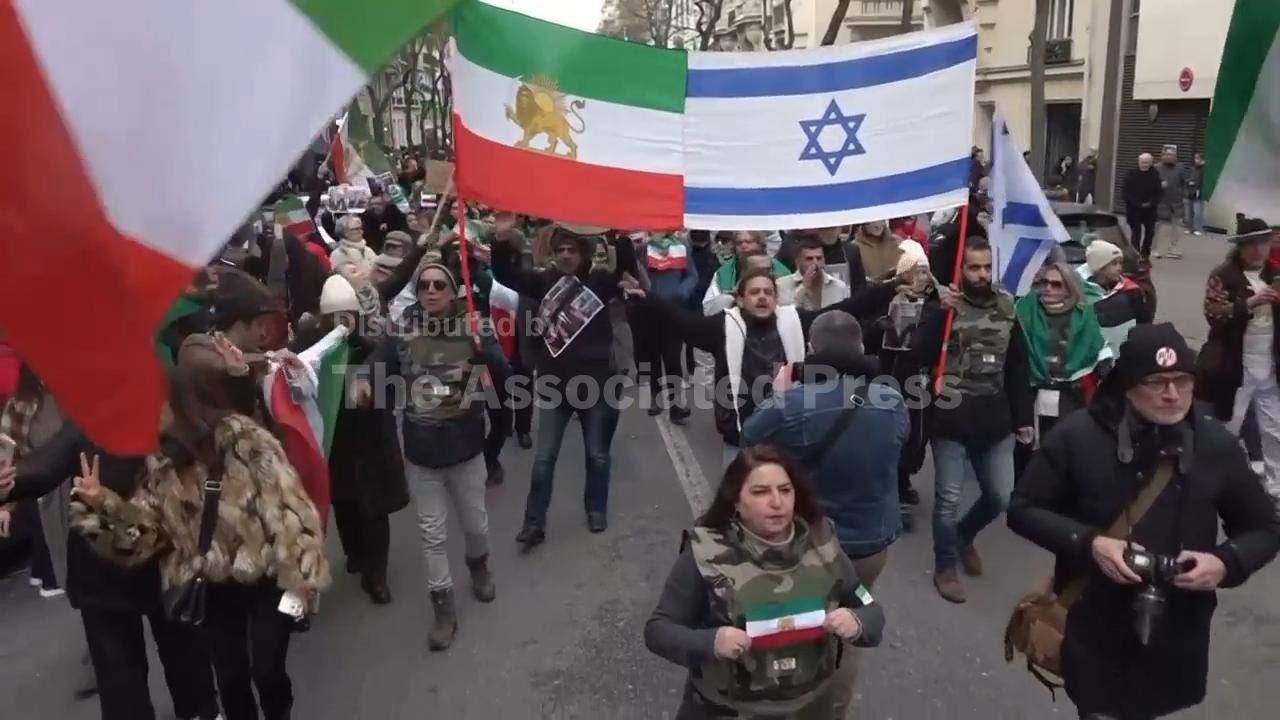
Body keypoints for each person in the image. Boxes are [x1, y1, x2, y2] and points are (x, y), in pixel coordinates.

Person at [1008, 323, 1280, 720]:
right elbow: (1023, 509)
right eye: (1156, 382)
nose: (1172, 394)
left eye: (1182, 380)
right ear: (1128, 385)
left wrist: (1226, 562)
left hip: (1176, 633)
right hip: (1095, 624)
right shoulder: (1077, 437)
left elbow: (1265, 529)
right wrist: (1090, 543)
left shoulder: (1215, 445)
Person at [70, 336, 331, 720]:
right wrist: (100, 507)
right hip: (212, 587)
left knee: (267, 669)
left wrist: (302, 579)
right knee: (230, 680)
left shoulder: (241, 438)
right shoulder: (158, 466)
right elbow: (146, 539)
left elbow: (291, 509)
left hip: (271, 577)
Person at [741, 311, 906, 717]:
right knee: (849, 625)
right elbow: (901, 448)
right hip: (869, 543)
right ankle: (833, 710)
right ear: (861, 348)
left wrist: (780, 393)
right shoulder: (892, 400)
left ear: (812, 350)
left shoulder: (793, 402)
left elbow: (749, 439)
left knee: (794, 624)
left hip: (809, 543)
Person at [644, 446, 886, 720]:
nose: (777, 502)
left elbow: (870, 609)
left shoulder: (823, 544)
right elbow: (658, 629)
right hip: (725, 710)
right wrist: (711, 641)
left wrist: (857, 621)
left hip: (809, 709)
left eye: (785, 490)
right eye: (760, 492)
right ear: (736, 500)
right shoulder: (705, 554)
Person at [7, 424, 222, 720]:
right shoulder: (88, 425)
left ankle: (200, 710)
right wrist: (10, 482)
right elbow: (45, 466)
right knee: (122, 676)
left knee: (184, 659)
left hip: (163, 558)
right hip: (105, 566)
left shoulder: (172, 417)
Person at [364, 262, 509, 649]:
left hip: (466, 449)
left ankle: (479, 567)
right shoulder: (401, 329)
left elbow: (504, 375)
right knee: (432, 535)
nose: (430, 291)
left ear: (452, 291)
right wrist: (363, 381)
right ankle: (443, 609)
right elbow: (376, 365)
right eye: (424, 285)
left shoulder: (474, 324)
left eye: (438, 285)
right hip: (422, 453)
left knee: (475, 526)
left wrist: (485, 349)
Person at [490, 225, 632, 549]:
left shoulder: (599, 283)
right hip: (555, 388)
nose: (566, 256)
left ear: (583, 254)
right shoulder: (542, 283)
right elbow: (505, 274)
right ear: (552, 255)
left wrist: (621, 234)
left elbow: (625, 268)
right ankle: (533, 523)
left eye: (572, 250)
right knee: (543, 461)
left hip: (597, 386)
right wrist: (500, 240)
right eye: (560, 251)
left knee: (597, 455)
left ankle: (596, 508)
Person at [912, 239, 1034, 603]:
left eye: (986, 267)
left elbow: (1018, 365)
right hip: (951, 420)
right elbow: (918, 354)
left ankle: (962, 536)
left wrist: (1023, 418)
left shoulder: (1007, 306)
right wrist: (940, 315)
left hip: (995, 420)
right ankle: (945, 565)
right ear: (961, 270)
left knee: (1000, 496)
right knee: (948, 499)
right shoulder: (945, 307)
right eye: (973, 267)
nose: (981, 275)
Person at [307, 275, 409, 606]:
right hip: (335, 439)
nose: (341, 323)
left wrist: (365, 371)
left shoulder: (372, 340)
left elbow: (387, 363)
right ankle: (355, 553)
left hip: (371, 438)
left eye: (346, 316)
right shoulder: (312, 344)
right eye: (334, 317)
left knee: (374, 509)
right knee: (345, 502)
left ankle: (376, 575)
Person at [1197, 217, 1280, 509]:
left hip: (1271, 365)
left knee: (1275, 430)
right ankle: (1214, 486)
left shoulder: (1275, 273)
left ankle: (1275, 489)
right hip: (1234, 366)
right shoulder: (1224, 275)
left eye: (1264, 243)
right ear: (1241, 247)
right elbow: (1213, 313)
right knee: (1227, 429)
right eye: (1252, 244)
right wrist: (1249, 303)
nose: (1259, 250)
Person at [1014, 262, 1110, 477]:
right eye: (1044, 283)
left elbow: (1099, 349)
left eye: (1056, 284)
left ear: (1069, 288)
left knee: (1066, 454)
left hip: (1071, 396)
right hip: (1032, 395)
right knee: (1029, 460)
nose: (1048, 288)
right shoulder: (1024, 311)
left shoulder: (1085, 316)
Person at [878, 243, 939, 517]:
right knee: (891, 430)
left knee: (917, 433)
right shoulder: (889, 300)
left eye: (925, 271)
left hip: (920, 377)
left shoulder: (935, 304)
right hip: (891, 373)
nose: (922, 277)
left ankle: (905, 476)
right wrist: (881, 326)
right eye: (917, 271)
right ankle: (894, 483)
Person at [631, 231, 698, 424]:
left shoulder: (681, 247)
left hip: (672, 310)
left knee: (672, 358)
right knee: (651, 356)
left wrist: (681, 292)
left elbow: (692, 276)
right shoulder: (642, 249)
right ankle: (654, 396)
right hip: (648, 309)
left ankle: (676, 406)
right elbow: (635, 274)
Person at [1083, 240, 1154, 357]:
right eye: (1114, 264)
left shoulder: (1132, 291)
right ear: (1100, 267)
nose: (1119, 268)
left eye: (1120, 263)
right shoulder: (1081, 292)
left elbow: (1144, 324)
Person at [702, 231, 790, 315]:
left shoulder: (781, 271)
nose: (744, 246)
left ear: (760, 244)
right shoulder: (723, 273)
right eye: (739, 243)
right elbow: (708, 307)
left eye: (748, 242)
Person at [775, 236, 851, 311]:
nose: (815, 263)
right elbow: (786, 312)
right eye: (809, 259)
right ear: (797, 261)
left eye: (819, 258)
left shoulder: (839, 287)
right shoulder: (781, 285)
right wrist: (803, 288)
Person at [1123, 153, 1163, 259]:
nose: (1145, 165)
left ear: (1151, 163)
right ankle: (1135, 254)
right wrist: (1138, 203)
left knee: (1150, 233)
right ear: (1138, 162)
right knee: (1136, 233)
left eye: (1147, 162)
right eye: (1143, 162)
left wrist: (1151, 202)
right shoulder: (1131, 174)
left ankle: (1145, 252)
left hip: (1150, 210)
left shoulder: (1155, 175)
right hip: (1134, 209)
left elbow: (1159, 192)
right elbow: (1126, 193)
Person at [1153, 149, 1189, 260]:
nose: (1169, 157)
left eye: (1172, 155)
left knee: (1176, 228)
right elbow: (1149, 184)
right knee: (1156, 227)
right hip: (1161, 202)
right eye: (1167, 154)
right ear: (1162, 156)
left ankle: (1173, 249)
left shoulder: (1180, 168)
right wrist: (1158, 185)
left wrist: (1185, 196)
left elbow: (1185, 183)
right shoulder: (1156, 168)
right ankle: (1153, 249)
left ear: (1175, 157)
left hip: (1176, 202)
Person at [360, 187, 410, 253]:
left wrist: (388, 226)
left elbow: (401, 226)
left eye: (378, 204)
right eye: (372, 204)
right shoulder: (366, 216)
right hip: (372, 246)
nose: (374, 206)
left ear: (384, 204)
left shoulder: (394, 213)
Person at [1183, 152, 1206, 236]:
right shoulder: (1192, 169)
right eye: (1195, 158)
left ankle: (1197, 228)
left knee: (1197, 212)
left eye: (1198, 158)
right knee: (1189, 212)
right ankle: (1190, 228)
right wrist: (1189, 182)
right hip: (1190, 192)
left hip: (1198, 193)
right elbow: (1187, 178)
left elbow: (1202, 181)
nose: (1196, 160)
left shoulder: (1203, 169)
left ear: (1203, 160)